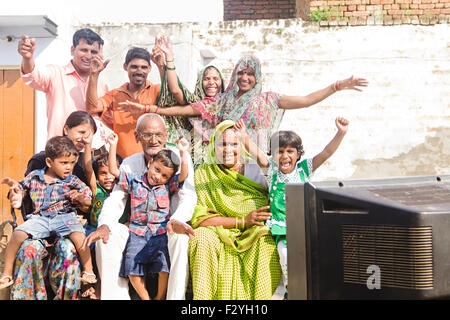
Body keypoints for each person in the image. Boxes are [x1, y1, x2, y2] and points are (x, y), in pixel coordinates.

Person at [123, 55, 367, 153]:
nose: (245, 78)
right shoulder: (223, 99)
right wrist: (149, 110)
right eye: (241, 72)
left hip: (257, 162)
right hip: (224, 160)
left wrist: (336, 86)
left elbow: (305, 101)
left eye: (250, 73)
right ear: (235, 75)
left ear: (257, 76)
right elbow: (189, 108)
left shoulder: (268, 100)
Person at [82, 113, 197, 300]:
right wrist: (104, 225)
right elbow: (116, 198)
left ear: (166, 136)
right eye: (147, 135)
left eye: (158, 134)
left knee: (180, 238)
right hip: (137, 229)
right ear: (137, 137)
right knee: (107, 238)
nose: (153, 140)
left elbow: (188, 196)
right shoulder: (130, 163)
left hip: (167, 227)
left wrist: (177, 220)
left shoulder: (176, 160)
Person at [235, 117, 349, 297]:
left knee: (313, 258)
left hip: (303, 224)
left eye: (290, 151)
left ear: (298, 154)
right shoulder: (272, 171)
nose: (285, 156)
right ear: (273, 154)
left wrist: (340, 133)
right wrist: (244, 138)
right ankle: (291, 289)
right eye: (279, 151)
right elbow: (256, 154)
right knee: (285, 254)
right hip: (280, 225)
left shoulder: (304, 169)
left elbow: (326, 152)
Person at [5, 111, 98, 300]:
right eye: (81, 132)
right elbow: (23, 191)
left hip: (67, 222)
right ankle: (15, 283)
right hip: (39, 222)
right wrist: (16, 195)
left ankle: (77, 286)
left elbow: (90, 197)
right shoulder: (40, 162)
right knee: (27, 248)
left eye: (89, 135)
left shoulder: (84, 164)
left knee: (71, 248)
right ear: (66, 129)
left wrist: (82, 200)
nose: (84, 138)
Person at [188, 120, 281, 300]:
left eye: (234, 144)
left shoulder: (256, 171)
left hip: (254, 232)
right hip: (217, 232)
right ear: (214, 146)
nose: (228, 149)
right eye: (223, 144)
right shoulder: (204, 174)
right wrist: (241, 221)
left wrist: (246, 139)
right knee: (200, 236)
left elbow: (273, 170)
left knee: (266, 238)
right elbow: (200, 218)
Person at [106, 132, 189, 300]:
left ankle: (159, 297)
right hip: (137, 233)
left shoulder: (166, 186)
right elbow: (113, 170)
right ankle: (145, 298)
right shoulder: (134, 180)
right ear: (150, 163)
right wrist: (113, 146)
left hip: (159, 233)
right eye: (157, 170)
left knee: (164, 266)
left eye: (164, 175)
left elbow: (183, 175)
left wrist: (183, 153)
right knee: (131, 266)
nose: (158, 177)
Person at [18, 28, 113, 151]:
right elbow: (32, 76)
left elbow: (106, 119)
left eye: (93, 52)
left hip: (94, 153)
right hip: (62, 152)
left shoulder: (101, 84)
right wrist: (27, 58)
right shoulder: (55, 74)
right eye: (84, 50)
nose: (89, 56)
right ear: (72, 50)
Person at [151, 35, 226, 165]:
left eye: (215, 79)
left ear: (222, 82)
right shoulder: (195, 102)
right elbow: (174, 91)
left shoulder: (229, 105)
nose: (211, 82)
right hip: (195, 162)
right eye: (207, 78)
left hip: (222, 160)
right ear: (200, 82)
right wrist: (166, 60)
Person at [86, 47, 164, 159]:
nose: (139, 71)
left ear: (150, 68)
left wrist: (161, 66)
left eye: (143, 67)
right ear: (125, 66)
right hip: (123, 164)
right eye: (134, 67)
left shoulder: (156, 90)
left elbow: (170, 97)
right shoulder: (115, 94)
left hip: (153, 161)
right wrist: (94, 75)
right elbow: (92, 108)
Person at [82, 133, 123, 299]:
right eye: (103, 173)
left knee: (104, 252)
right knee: (83, 244)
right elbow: (87, 167)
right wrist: (88, 145)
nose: (108, 177)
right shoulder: (96, 189)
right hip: (92, 227)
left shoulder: (122, 190)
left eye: (111, 172)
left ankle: (99, 289)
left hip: (113, 231)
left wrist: (113, 146)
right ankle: (87, 282)